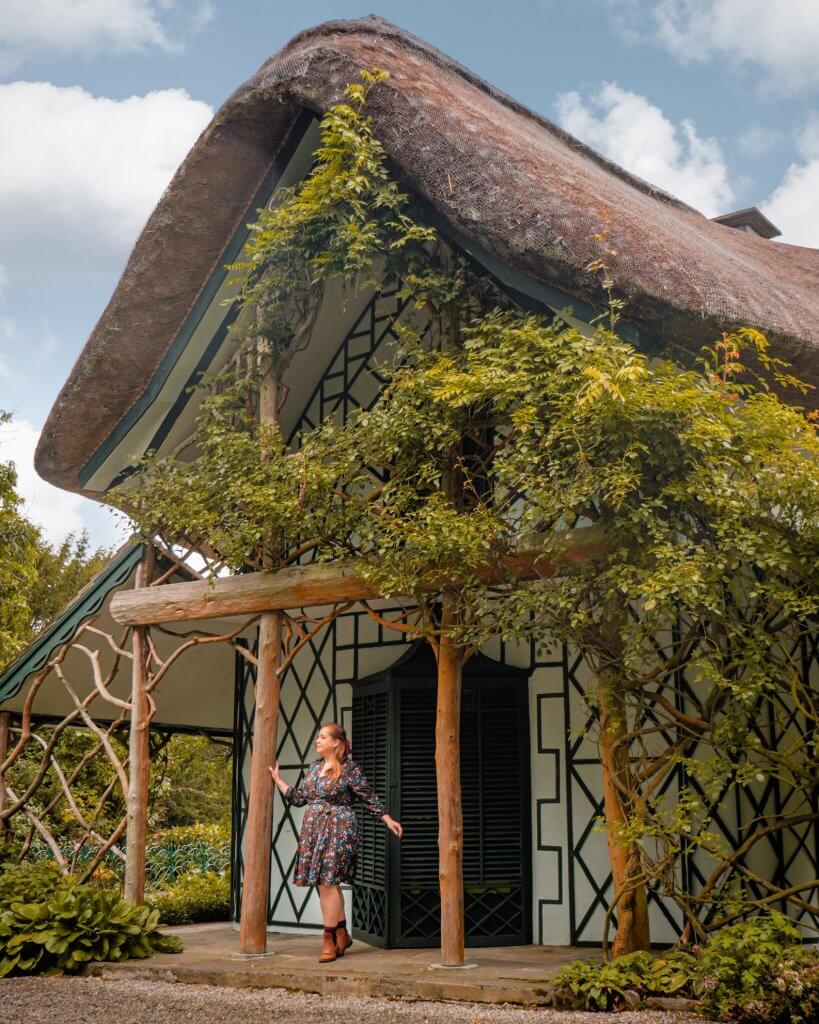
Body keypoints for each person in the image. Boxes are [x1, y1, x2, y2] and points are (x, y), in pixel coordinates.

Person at [269, 722, 403, 963]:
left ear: (336, 743)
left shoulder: (349, 769)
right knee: (325, 884)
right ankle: (342, 934)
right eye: (318, 737)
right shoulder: (312, 769)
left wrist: (388, 819)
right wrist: (278, 780)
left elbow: (368, 796)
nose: (317, 741)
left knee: (328, 882)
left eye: (322, 737)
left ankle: (329, 940)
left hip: (340, 828)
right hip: (314, 830)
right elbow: (300, 798)